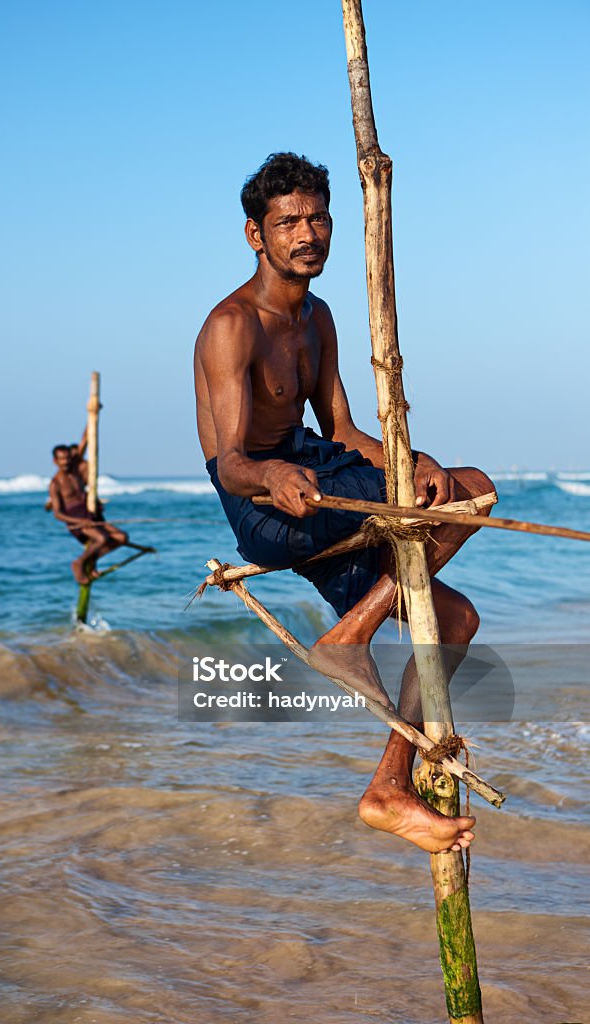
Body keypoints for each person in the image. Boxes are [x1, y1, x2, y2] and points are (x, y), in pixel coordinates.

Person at [194, 152, 495, 855]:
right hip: (264, 506)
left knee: (452, 616)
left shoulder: (317, 316)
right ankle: (351, 637)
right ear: (254, 235)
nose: (307, 233)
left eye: (318, 217)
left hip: (313, 472)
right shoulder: (232, 325)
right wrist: (270, 476)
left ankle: (387, 789)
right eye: (287, 221)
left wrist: (409, 459)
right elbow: (231, 462)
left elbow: (343, 433)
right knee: (477, 486)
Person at [49, 427, 129, 585]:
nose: (65, 462)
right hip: (76, 520)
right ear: (55, 461)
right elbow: (57, 513)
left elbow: (85, 441)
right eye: (62, 459)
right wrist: (80, 522)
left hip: (89, 513)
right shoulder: (55, 483)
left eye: (67, 458)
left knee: (122, 537)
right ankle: (79, 563)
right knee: (101, 538)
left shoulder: (75, 471)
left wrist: (92, 413)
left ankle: (90, 561)